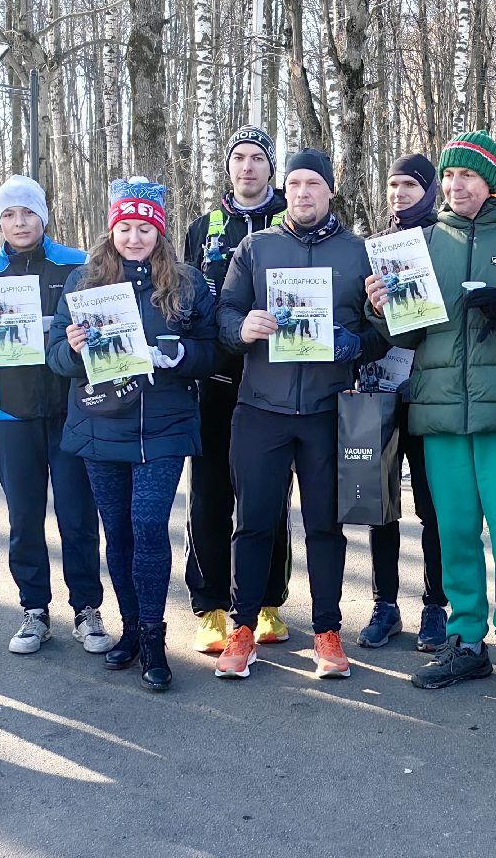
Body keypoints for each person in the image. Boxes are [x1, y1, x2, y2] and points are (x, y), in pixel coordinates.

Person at [366, 130, 496, 708]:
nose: (457, 186)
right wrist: (380, 306)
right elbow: (399, 332)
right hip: (439, 411)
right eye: (450, 177)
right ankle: (465, 638)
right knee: (455, 528)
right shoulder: (423, 241)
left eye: (469, 176)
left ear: (492, 180)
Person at [215, 148, 381, 681]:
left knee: (326, 526)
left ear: (331, 191)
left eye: (313, 183)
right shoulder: (256, 246)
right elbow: (224, 313)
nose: (303, 193)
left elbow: (389, 330)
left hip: (327, 412)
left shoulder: (359, 253)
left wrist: (359, 339)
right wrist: (242, 329)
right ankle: (243, 629)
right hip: (261, 408)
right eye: (294, 184)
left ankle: (328, 632)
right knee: (255, 522)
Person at [47, 178, 216, 691]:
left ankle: (155, 637)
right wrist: (74, 348)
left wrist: (183, 355)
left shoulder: (188, 283)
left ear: (160, 233)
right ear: (112, 229)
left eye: (145, 228)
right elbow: (55, 358)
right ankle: (130, 629)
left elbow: (213, 351)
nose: (135, 237)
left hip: (164, 426)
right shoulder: (83, 282)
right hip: (101, 424)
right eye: (126, 227)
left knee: (148, 527)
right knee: (117, 531)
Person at [0, 175, 109, 656]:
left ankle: (86, 609)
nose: (19, 222)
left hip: (71, 410)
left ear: (43, 216)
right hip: (12, 413)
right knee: (24, 517)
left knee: (77, 516)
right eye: (8, 214)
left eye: (27, 213)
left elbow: (100, 322)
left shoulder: (75, 263)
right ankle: (34, 610)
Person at [180, 126, 293, 654]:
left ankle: (268, 601)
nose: (247, 168)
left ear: (272, 168)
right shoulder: (205, 228)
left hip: (277, 382)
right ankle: (212, 608)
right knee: (209, 494)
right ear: (229, 167)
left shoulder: (290, 221)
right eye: (239, 158)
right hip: (216, 381)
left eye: (257, 159)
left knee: (267, 496)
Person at [357, 153, 449, 652]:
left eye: (410, 186)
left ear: (430, 190)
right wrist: (372, 308)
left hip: (429, 394)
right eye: (392, 185)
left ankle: (436, 606)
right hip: (381, 391)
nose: (399, 194)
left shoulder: (446, 241)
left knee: (432, 507)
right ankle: (384, 604)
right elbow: (364, 320)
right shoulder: (374, 245)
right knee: (380, 503)